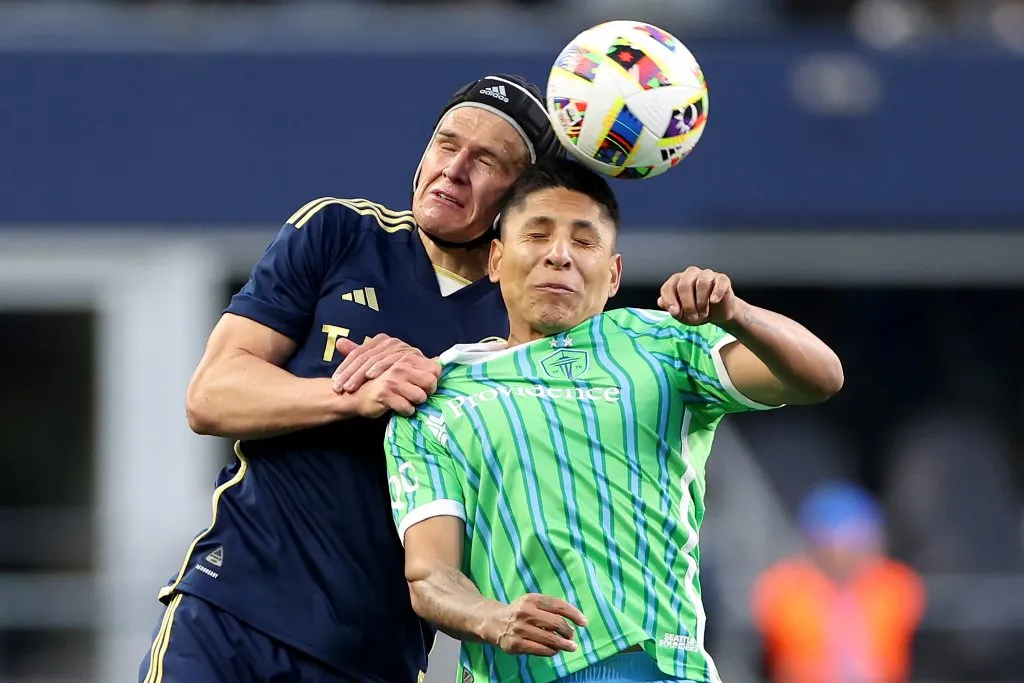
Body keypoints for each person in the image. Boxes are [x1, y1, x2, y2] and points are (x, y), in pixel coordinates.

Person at [138, 74, 562, 683]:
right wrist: (351, 396)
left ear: (520, 194)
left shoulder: (521, 325)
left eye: (486, 160)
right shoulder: (338, 232)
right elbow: (210, 396)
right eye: (446, 144)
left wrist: (441, 377)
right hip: (230, 609)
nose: (454, 168)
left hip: (373, 654)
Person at [385, 157, 844, 683]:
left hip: (661, 668)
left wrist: (736, 313)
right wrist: (493, 618)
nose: (559, 256)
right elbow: (430, 575)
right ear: (495, 258)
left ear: (614, 274)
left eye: (584, 242)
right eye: (538, 234)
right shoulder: (438, 395)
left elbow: (821, 376)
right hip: (518, 671)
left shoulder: (663, 345)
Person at [750, 482, 926, 683]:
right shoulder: (783, 587)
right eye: (835, 542)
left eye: (857, 541)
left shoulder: (896, 585)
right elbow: (787, 660)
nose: (845, 553)